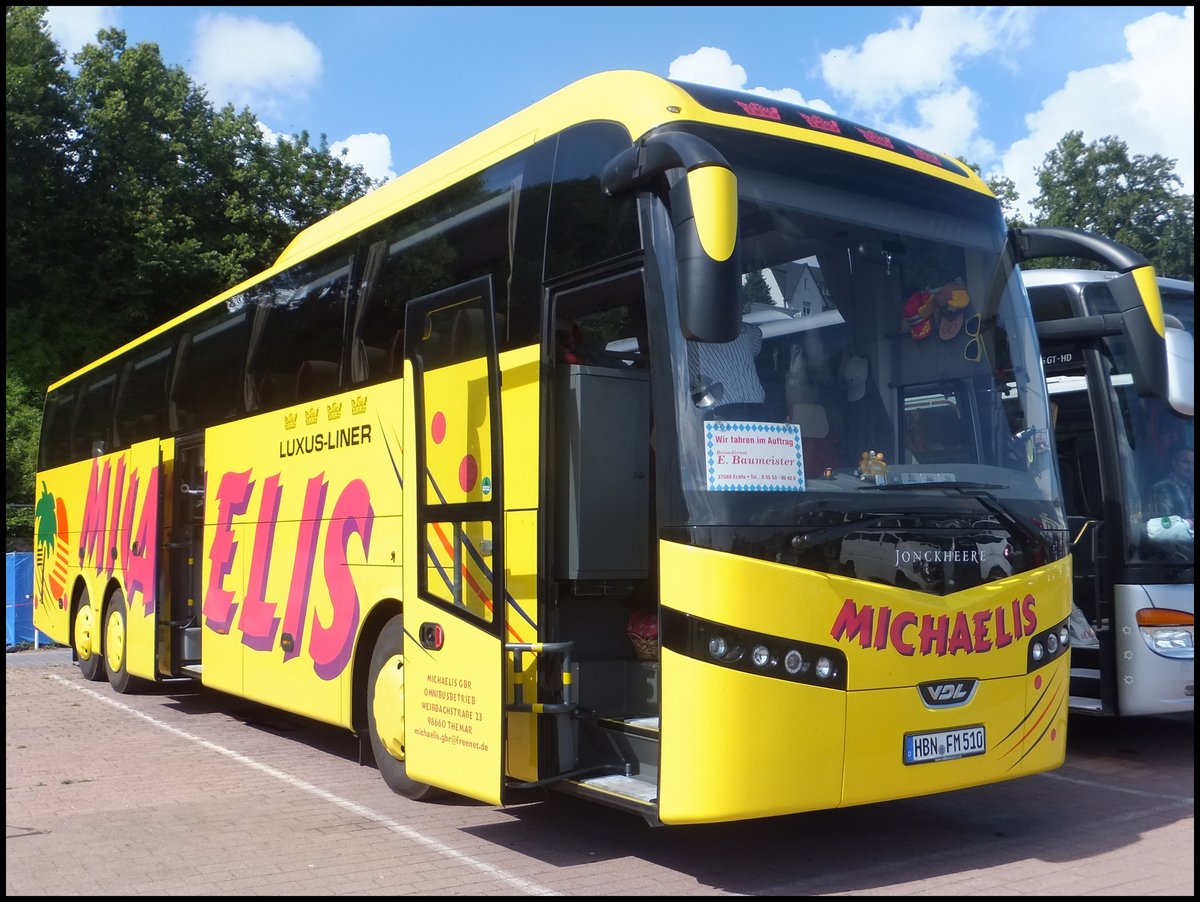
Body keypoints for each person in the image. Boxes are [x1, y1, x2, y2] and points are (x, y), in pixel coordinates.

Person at [686, 322, 765, 408]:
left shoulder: (688, 337)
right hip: (754, 410)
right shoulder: (744, 330)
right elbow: (756, 341)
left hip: (713, 410)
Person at [1147, 446, 1194, 521]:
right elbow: (1164, 525)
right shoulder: (1160, 489)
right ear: (1174, 463)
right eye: (1186, 462)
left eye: (1193, 463)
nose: (1191, 467)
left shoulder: (1191, 487)